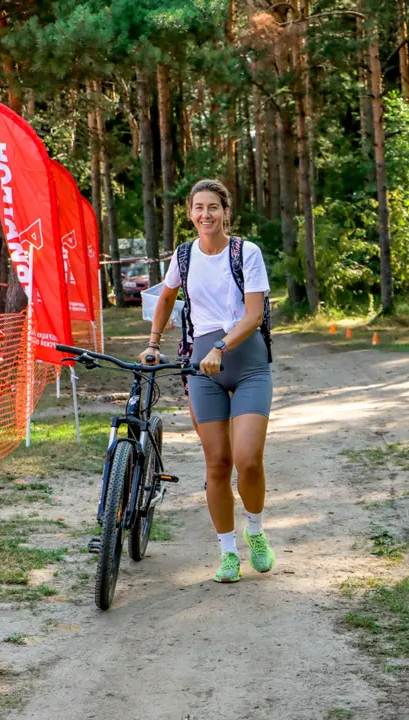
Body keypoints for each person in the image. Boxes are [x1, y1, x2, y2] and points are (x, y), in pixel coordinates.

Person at [139, 179, 275, 583]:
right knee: (217, 463)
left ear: (226, 211)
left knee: (248, 459)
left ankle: (256, 531)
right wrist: (153, 342)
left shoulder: (246, 252)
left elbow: (254, 315)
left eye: (213, 207)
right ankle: (228, 553)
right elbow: (167, 297)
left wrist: (220, 347)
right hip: (202, 368)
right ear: (190, 213)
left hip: (247, 364)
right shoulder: (183, 256)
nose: (205, 214)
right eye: (198, 207)